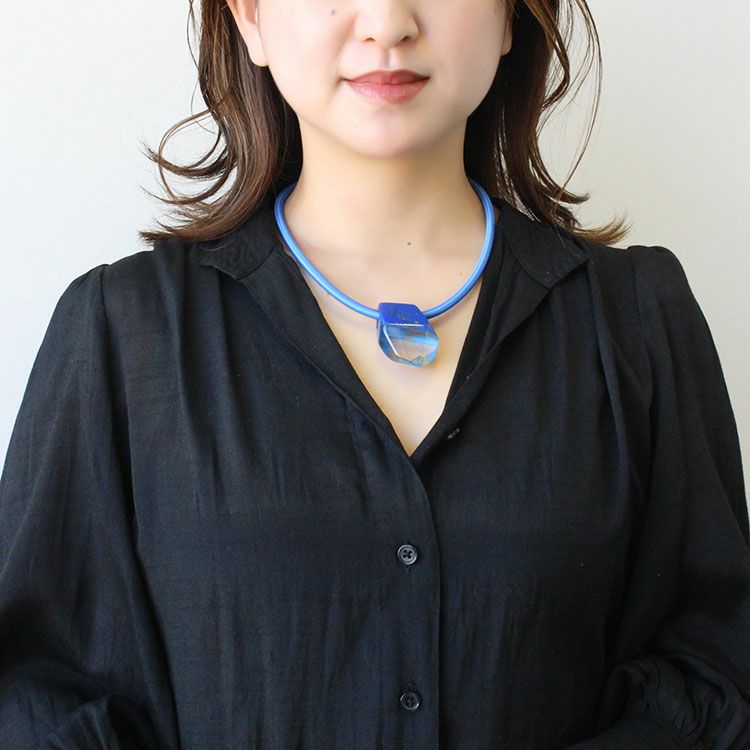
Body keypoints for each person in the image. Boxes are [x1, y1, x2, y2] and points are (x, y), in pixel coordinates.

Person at [1, 0, 748, 747]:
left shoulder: (636, 321)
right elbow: (40, 694)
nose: (387, 22)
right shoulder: (123, 332)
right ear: (251, 19)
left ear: (512, 17)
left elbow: (717, 666)